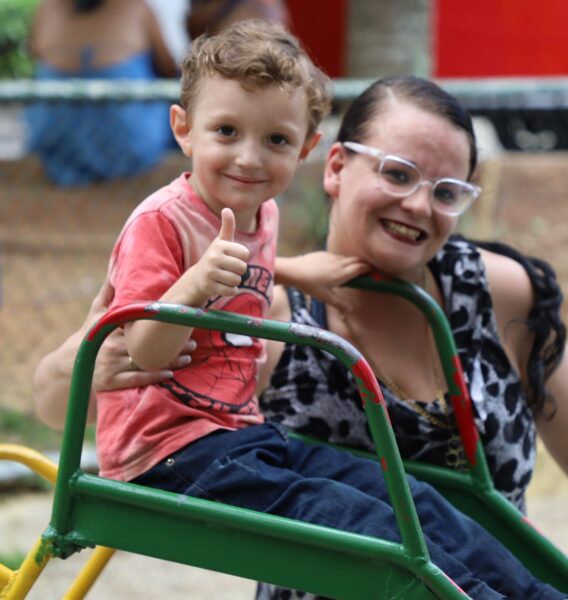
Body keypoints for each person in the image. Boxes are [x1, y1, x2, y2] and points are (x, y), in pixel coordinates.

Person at [31, 67, 567, 600]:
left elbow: (249, 267)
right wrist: (93, 353)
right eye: (398, 174)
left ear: (301, 149)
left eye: (446, 192)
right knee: (377, 529)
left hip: (254, 446)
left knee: (411, 501)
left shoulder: (494, 289)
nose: (418, 205)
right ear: (334, 166)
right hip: (196, 461)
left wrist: (288, 268)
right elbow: (62, 402)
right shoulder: (269, 316)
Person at [26, 0, 177, 186]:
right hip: (130, 149)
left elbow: (34, 56)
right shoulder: (137, 8)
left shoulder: (46, 10)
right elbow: (169, 69)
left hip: (57, 153)